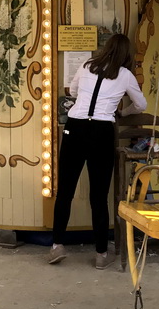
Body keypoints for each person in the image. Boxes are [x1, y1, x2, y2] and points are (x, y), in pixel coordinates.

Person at [50, 32, 146, 269]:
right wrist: (123, 112)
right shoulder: (125, 75)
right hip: (102, 131)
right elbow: (141, 104)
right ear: (126, 54)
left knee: (65, 190)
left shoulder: (86, 65)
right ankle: (101, 254)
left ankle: (56, 245)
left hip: (75, 128)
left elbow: (72, 92)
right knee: (99, 195)